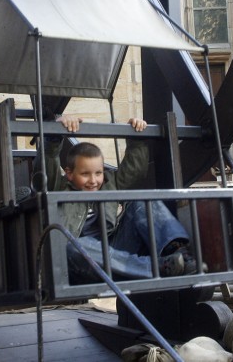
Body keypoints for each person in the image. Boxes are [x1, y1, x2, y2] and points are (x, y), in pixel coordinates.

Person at [45, 115, 199, 283]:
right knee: (76, 246)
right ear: (69, 173)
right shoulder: (58, 186)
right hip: (80, 261)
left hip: (114, 252)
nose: (93, 180)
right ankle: (159, 267)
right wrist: (53, 137)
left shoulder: (110, 182)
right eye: (85, 174)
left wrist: (136, 137)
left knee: (142, 201)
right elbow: (46, 165)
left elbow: (135, 170)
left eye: (98, 173)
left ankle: (179, 253)